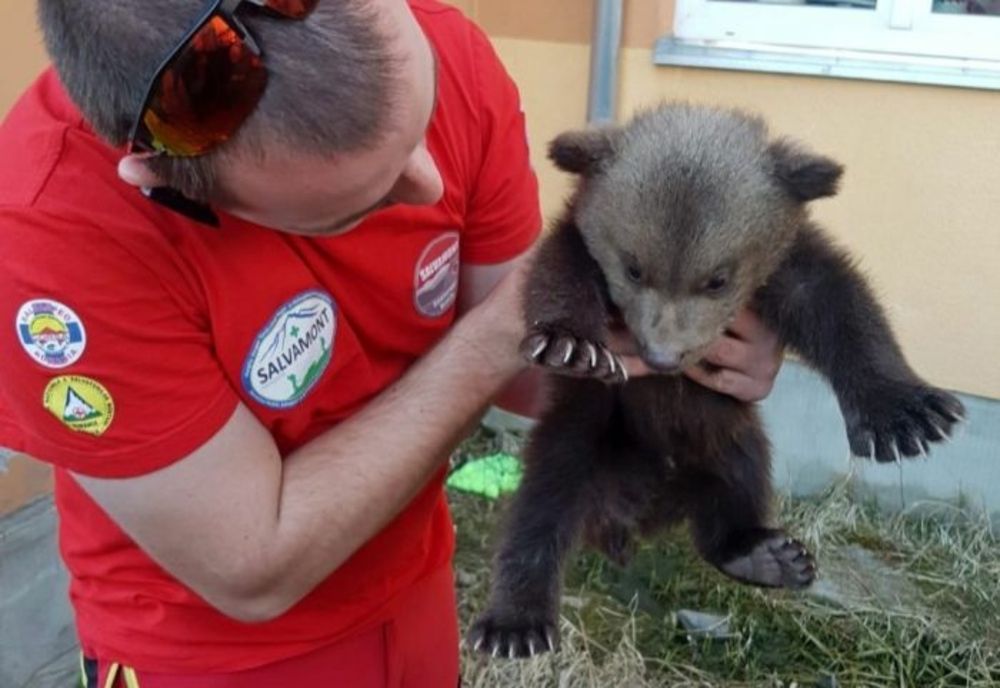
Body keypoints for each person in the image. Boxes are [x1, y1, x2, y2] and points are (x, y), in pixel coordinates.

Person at [0, 0, 784, 685]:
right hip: (213, 653)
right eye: (363, 203)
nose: (429, 186)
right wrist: (497, 337)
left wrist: (697, 363)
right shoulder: (50, 238)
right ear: (168, 182)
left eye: (420, 125)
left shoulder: (450, 51)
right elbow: (252, 568)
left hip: (415, 580)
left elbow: (530, 378)